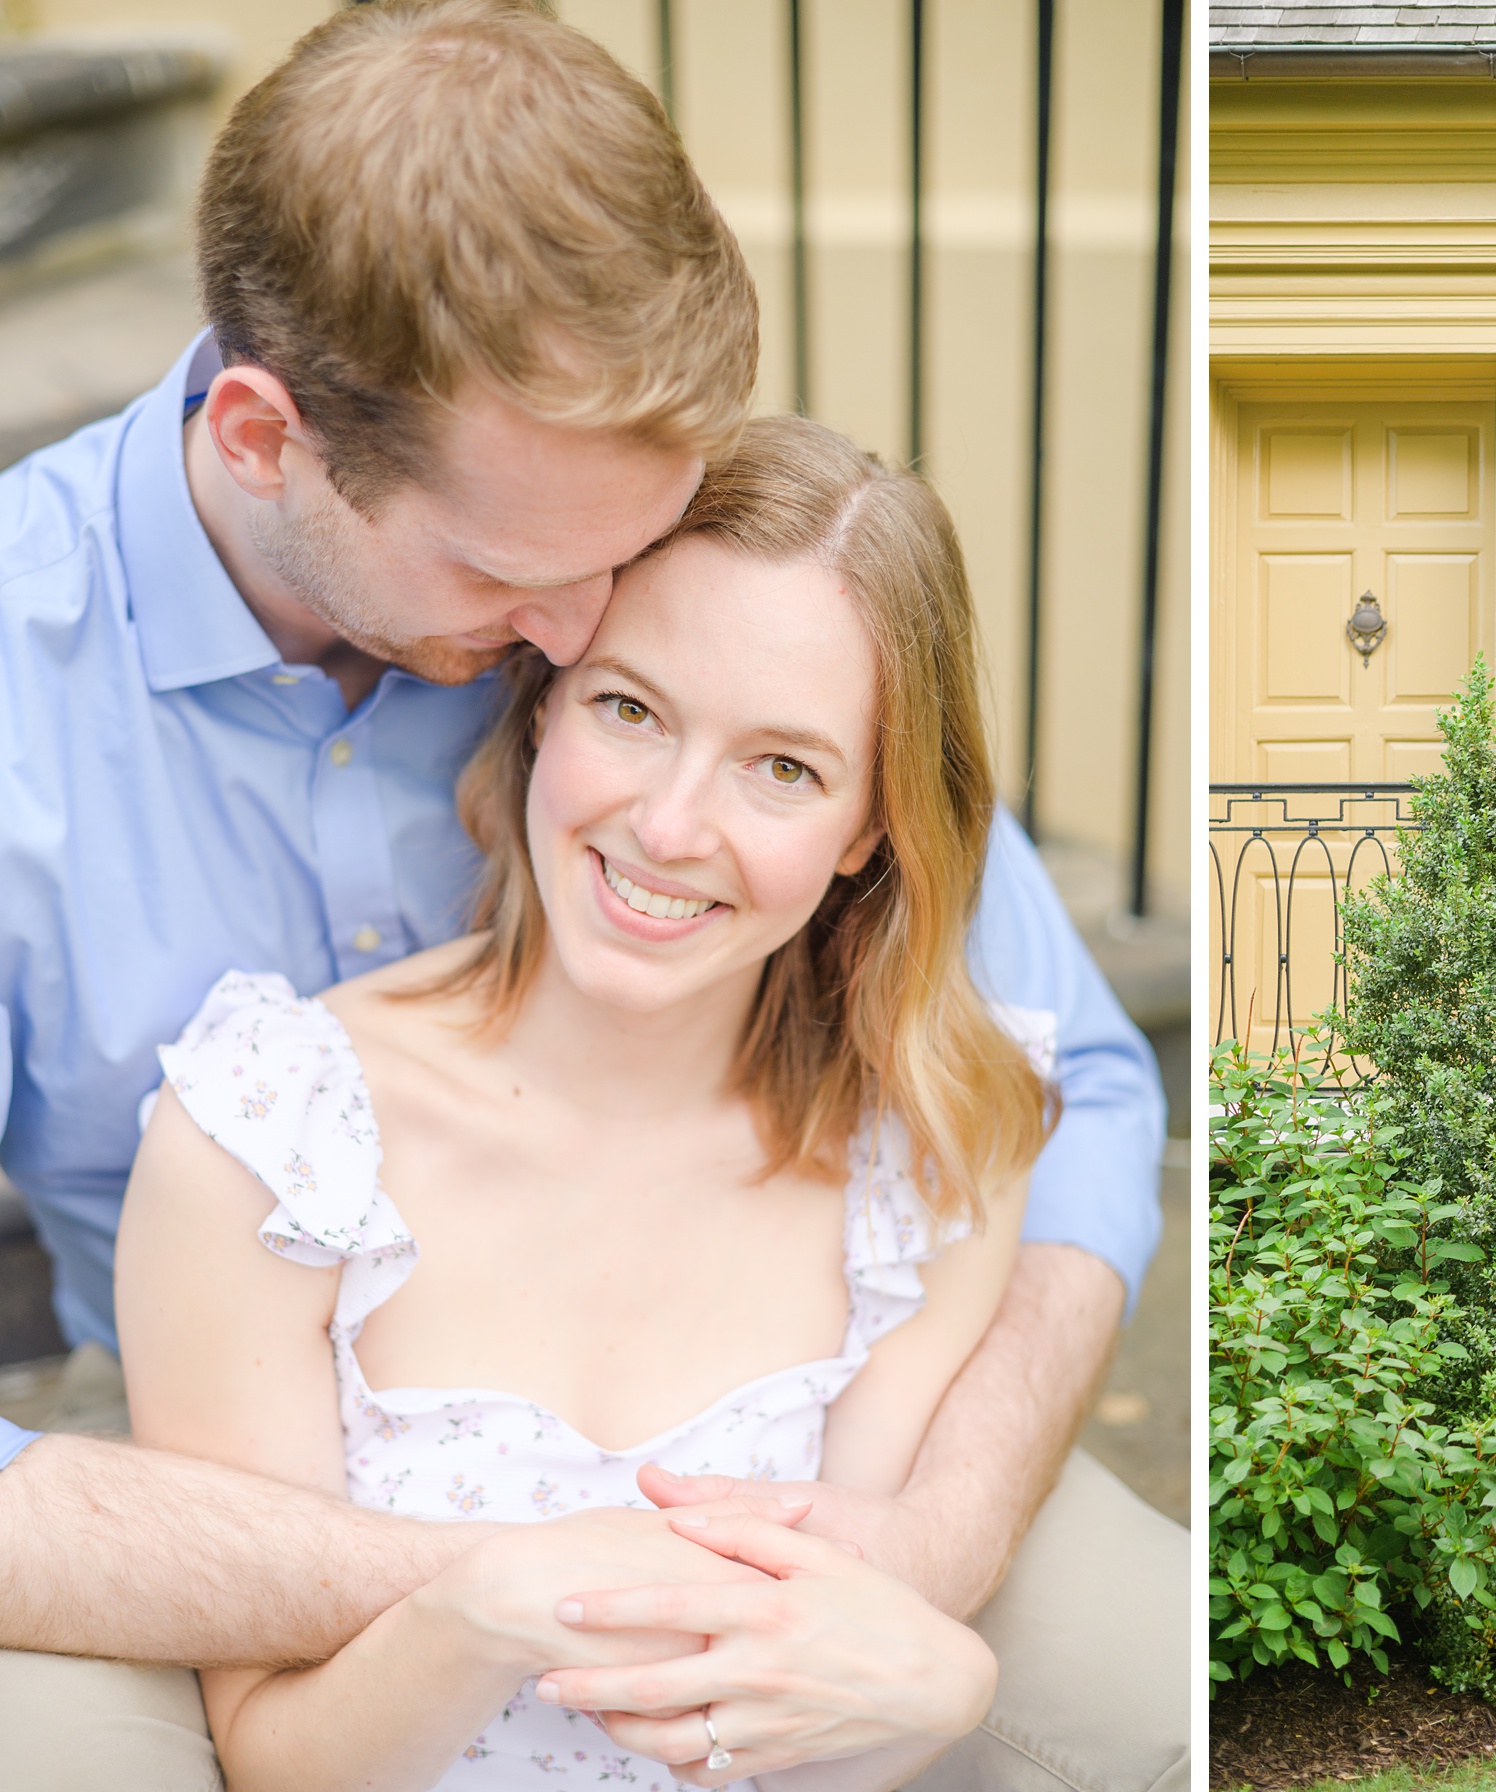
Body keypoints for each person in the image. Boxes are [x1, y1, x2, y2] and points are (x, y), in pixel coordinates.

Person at [0, 5, 1183, 1787]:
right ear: (263, 438)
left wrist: (925, 1549)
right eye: (511, 575)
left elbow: (1078, 1087)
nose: (567, 642)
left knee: (1158, 1695)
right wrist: (480, 1574)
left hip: (766, 1414)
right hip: (206, 1462)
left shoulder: (634, 582)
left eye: (614, 565)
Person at [119, 415, 1044, 1789]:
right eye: (632, 708)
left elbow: (841, 1694)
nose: (672, 827)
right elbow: (272, 1757)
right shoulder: (269, 1133)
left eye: (783, 767)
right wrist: (486, 1605)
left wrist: (947, 1678)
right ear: (545, 703)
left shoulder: (926, 1154)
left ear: (866, 831)